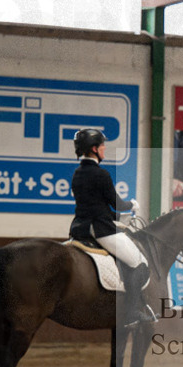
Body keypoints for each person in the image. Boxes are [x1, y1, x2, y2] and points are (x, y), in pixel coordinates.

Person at [69, 128, 156, 327]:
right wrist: (132, 205)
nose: (104, 148)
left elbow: (94, 205)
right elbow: (116, 203)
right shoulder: (101, 174)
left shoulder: (77, 173)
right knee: (138, 263)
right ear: (93, 149)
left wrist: (117, 218)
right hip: (100, 230)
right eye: (101, 145)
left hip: (80, 228)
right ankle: (132, 312)